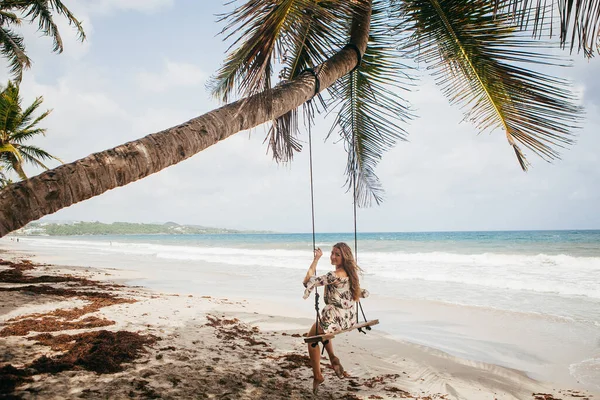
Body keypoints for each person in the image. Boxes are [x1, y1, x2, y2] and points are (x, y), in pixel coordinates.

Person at [302, 242, 369, 394]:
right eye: (332, 253)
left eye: (337, 254)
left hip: (334, 318)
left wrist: (316, 259)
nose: (333, 256)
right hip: (348, 319)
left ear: (344, 258)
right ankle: (333, 358)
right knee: (323, 330)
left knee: (312, 338)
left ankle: (318, 375)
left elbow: (307, 281)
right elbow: (362, 293)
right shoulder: (351, 275)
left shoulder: (333, 276)